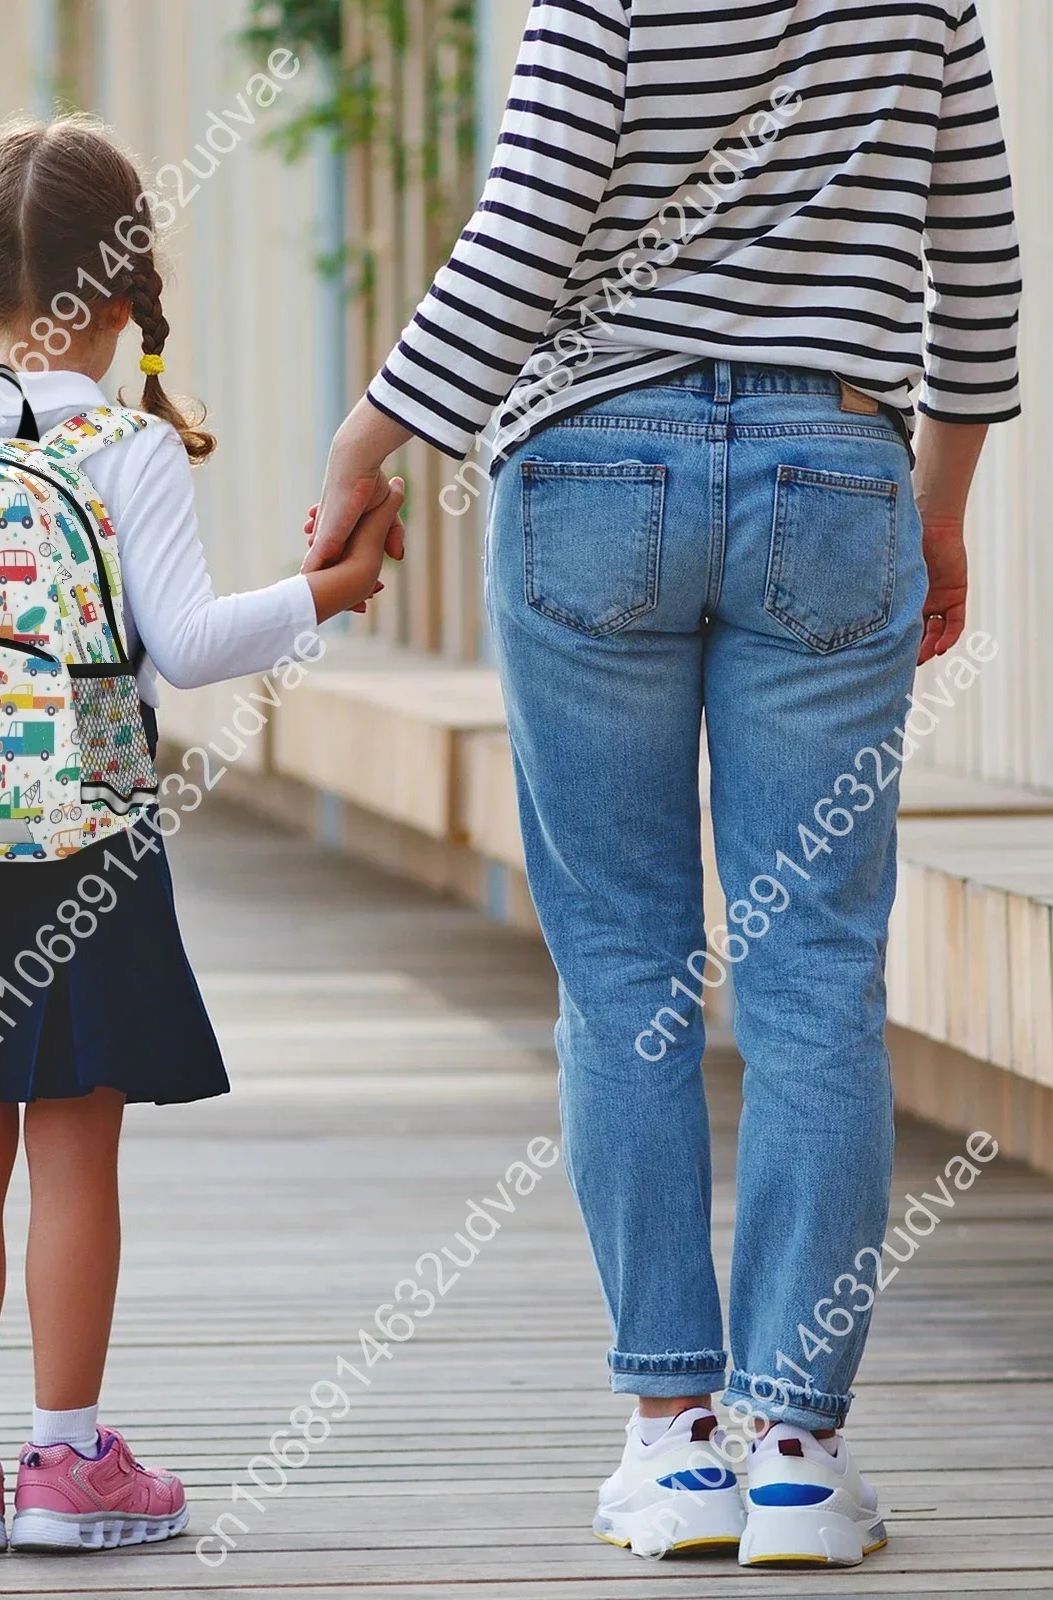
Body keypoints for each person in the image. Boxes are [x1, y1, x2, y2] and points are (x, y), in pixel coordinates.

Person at [308, 0, 1018, 1570]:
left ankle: (675, 1446)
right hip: (836, 474)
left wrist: (365, 446)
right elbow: (978, 277)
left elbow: (526, 229)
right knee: (815, 973)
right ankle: (799, 1460)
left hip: (590, 469)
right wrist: (941, 506)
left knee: (623, 964)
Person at [0, 116, 403, 1554]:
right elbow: (195, 646)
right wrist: (326, 592)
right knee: (74, 1155)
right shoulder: (127, 445)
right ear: (119, 293)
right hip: (84, 840)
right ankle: (74, 1459)